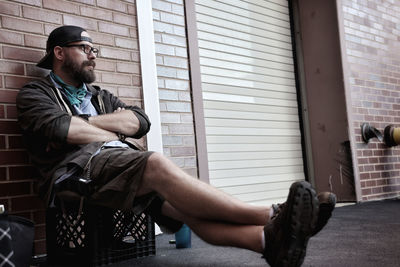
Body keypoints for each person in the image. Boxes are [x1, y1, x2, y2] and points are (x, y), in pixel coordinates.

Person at [17, 25, 336, 267]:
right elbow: (60, 129)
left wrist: (88, 126)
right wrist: (108, 130)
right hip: (71, 173)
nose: (93, 55)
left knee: (178, 205)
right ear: (59, 53)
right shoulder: (35, 94)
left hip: (116, 165)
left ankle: (267, 241)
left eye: (95, 49)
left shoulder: (99, 96)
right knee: (153, 163)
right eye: (84, 48)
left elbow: (139, 122)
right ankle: (273, 213)